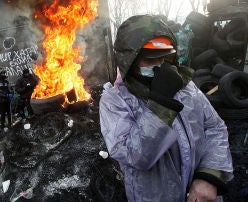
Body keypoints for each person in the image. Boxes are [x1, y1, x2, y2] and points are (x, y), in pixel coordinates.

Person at [99, 15, 233, 202]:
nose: (160, 64)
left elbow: (215, 127)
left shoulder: (186, 87)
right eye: (151, 58)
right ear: (129, 59)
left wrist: (209, 176)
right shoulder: (114, 100)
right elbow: (135, 156)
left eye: (164, 56)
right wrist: (161, 104)